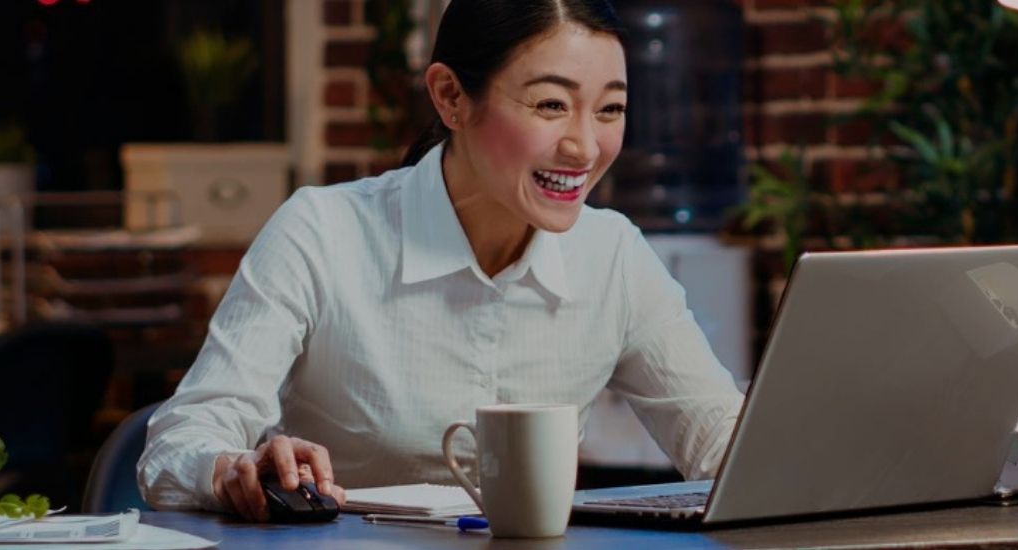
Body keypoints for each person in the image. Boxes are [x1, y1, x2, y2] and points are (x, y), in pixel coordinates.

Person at [136, 0, 744, 522]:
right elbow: (177, 445)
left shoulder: (612, 253)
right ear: (451, 97)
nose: (585, 146)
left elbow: (727, 445)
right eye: (551, 105)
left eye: (610, 109)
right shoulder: (322, 233)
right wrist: (229, 469)